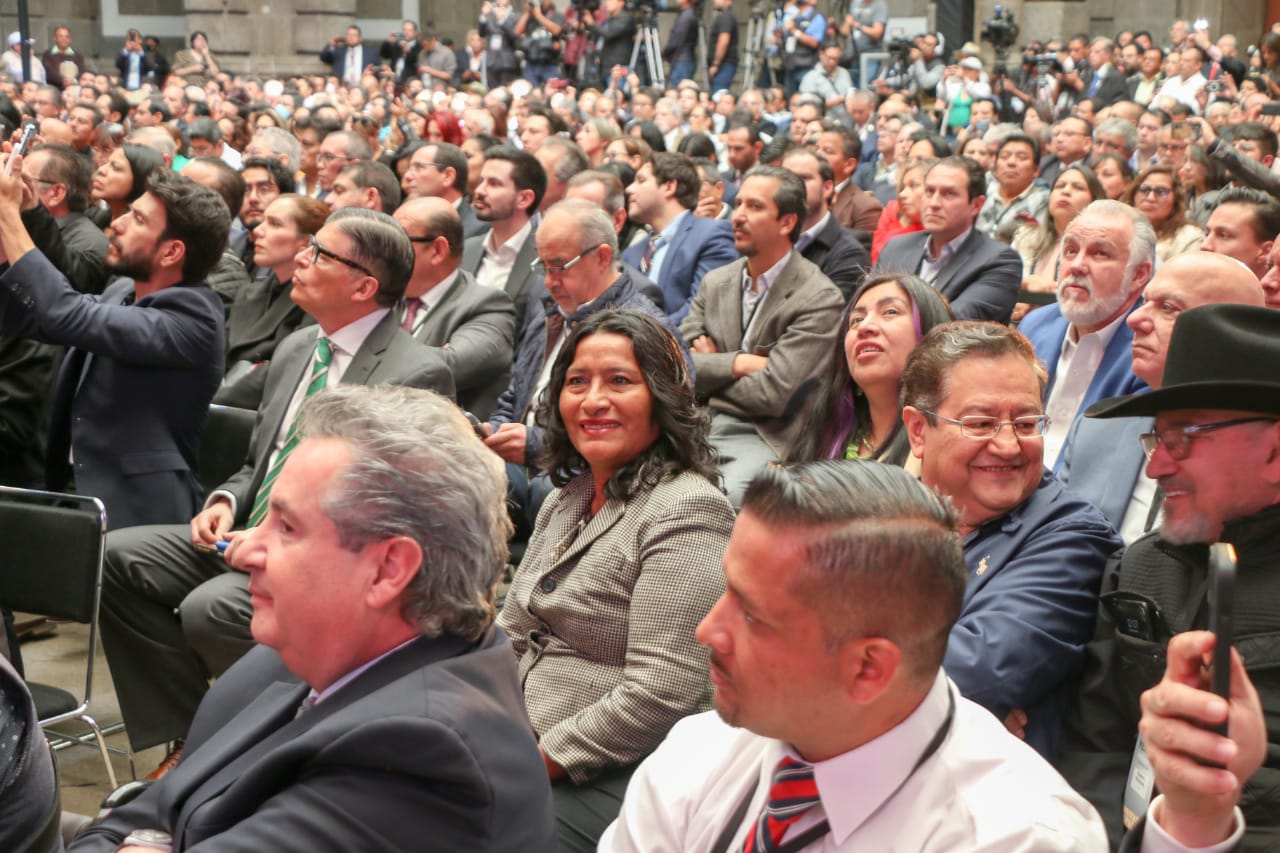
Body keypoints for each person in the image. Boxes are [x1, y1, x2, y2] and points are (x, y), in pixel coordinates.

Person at [68, 385, 556, 851]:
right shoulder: (298, 656)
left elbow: (144, 821)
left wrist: (139, 838)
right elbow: (147, 810)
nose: (244, 550)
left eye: (286, 526)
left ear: (388, 569)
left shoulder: (420, 754)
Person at [96, 208, 455, 773]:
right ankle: (194, 737)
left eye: (322, 254)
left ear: (364, 285)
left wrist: (275, 538)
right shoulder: (297, 347)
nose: (302, 260)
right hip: (251, 532)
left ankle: (277, 736)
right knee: (116, 559)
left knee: (208, 609)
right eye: (309, 246)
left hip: (327, 557)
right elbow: (258, 463)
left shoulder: (416, 372)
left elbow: (386, 508)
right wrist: (225, 502)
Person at [599, 460, 1110, 851]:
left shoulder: (1017, 836)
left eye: (752, 616)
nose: (706, 630)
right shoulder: (700, 751)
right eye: (725, 590)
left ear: (868, 669)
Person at [499, 309, 734, 851]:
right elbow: (510, 630)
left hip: (614, 762)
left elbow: (662, 690)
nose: (593, 400)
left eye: (620, 381)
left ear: (663, 397)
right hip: (514, 731)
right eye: (577, 381)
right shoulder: (568, 497)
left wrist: (540, 761)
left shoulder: (687, 508)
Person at [1059, 303, 1280, 851]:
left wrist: (1200, 830)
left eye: (1181, 438)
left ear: (1276, 452)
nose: (1156, 467)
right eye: (1155, 439)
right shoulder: (1139, 565)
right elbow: (1095, 746)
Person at [900, 322, 1121, 758]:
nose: (1008, 445)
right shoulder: (877, 509)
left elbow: (971, 677)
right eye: (981, 423)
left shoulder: (1073, 538)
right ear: (918, 431)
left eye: (1025, 423)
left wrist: (959, 711)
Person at [0, 159, 227, 530]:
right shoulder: (123, 289)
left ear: (171, 252)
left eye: (137, 220)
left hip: (136, 511)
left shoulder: (195, 318)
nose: (116, 222)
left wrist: (9, 214)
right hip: (72, 489)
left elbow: (64, 313)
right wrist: (16, 216)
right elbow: (33, 316)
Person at [484, 200, 678, 534]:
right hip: (526, 461)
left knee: (552, 490)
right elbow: (516, 394)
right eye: (542, 266)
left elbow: (648, 434)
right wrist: (496, 432)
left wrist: (535, 444)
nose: (548, 281)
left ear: (602, 257)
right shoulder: (552, 310)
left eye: (559, 266)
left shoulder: (644, 328)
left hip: (592, 469)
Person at [1056, 252, 1265, 540]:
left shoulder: (1258, 443)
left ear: (1233, 333)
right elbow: (1054, 544)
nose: (1134, 319)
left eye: (1167, 307)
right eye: (1144, 302)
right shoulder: (1095, 429)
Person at [679, 166, 844, 504]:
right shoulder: (716, 282)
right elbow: (678, 367)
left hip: (765, 434)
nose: (737, 216)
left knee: (726, 499)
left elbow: (774, 393)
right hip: (695, 423)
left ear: (787, 222)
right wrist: (739, 363)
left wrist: (710, 367)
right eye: (737, 204)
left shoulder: (819, 297)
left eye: (754, 207)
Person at [1019, 200, 1153, 469]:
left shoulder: (1150, 351)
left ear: (1139, 275)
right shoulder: (1033, 326)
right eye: (1070, 251)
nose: (1077, 265)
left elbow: (1112, 471)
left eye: (1100, 254)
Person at [787, 273, 951, 464]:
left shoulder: (945, 441)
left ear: (930, 333)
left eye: (890, 312)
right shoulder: (823, 432)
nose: (864, 326)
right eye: (856, 319)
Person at [394, 197, 517, 420]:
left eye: (397, 240)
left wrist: (373, 353)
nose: (385, 251)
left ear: (437, 250)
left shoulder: (488, 306)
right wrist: (434, 352)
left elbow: (442, 369)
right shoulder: (382, 294)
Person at [875, 157, 1023, 323]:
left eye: (949, 194)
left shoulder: (999, 260)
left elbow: (951, 325)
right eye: (929, 192)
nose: (934, 203)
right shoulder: (896, 248)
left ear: (976, 205)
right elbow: (861, 310)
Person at [216, 194, 327, 408]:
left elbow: (282, 371)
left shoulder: (316, 304)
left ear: (305, 243)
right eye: (264, 220)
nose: (258, 230)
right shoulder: (249, 292)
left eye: (275, 224)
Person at [621, 152, 738, 324]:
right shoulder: (631, 254)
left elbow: (703, 308)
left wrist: (647, 338)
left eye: (641, 180)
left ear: (669, 186)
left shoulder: (712, 235)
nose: (629, 189)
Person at [1010, 164, 1107, 323]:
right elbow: (1003, 281)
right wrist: (1025, 285)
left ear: (1094, 200)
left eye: (1078, 187)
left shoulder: (1100, 247)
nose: (1066, 191)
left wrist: (1043, 292)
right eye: (1060, 186)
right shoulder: (1026, 236)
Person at [461, 146, 545, 326]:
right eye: (481, 181)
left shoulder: (545, 259)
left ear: (524, 199)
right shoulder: (467, 248)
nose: (480, 191)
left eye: (494, 184)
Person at [780, 147, 870, 299]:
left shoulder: (849, 254)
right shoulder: (766, 238)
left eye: (803, 178)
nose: (793, 186)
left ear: (827, 188)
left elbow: (826, 315)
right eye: (786, 179)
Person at [1122, 163, 1203, 264]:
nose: (1150, 198)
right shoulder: (1118, 229)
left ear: (1176, 199)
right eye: (1144, 189)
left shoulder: (1189, 237)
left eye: (1161, 192)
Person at [977, 134, 1049, 244]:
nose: (1011, 163)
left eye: (1022, 157)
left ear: (1036, 170)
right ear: (995, 167)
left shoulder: (1044, 200)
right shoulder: (982, 192)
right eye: (1005, 157)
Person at [869, 158, 927, 263]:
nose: (902, 194)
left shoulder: (941, 233)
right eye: (903, 187)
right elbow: (875, 260)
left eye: (914, 186)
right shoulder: (892, 210)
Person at [92, 142, 165, 221]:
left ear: (139, 181)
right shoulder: (97, 218)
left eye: (115, 167)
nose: (101, 170)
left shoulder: (139, 232)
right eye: (106, 163)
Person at [41, 25, 87, 89]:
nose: (64, 39)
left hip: (74, 88)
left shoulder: (78, 56)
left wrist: (73, 81)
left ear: (70, 39)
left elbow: (82, 71)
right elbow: (49, 72)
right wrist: (63, 81)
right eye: (60, 36)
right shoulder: (48, 54)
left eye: (67, 37)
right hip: (55, 89)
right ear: (54, 38)